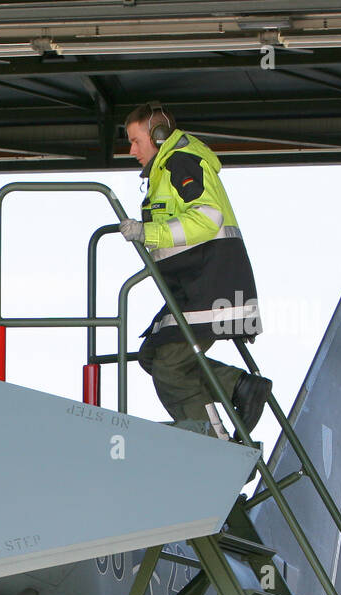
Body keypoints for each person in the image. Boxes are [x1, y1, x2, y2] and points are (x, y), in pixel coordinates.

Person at [118, 102, 272, 436]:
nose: (131, 150)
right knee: (152, 355)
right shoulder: (164, 170)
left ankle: (214, 439)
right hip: (193, 285)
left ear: (158, 137)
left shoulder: (180, 161)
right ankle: (236, 390)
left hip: (213, 282)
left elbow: (207, 217)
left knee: (170, 364)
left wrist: (148, 232)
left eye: (136, 141)